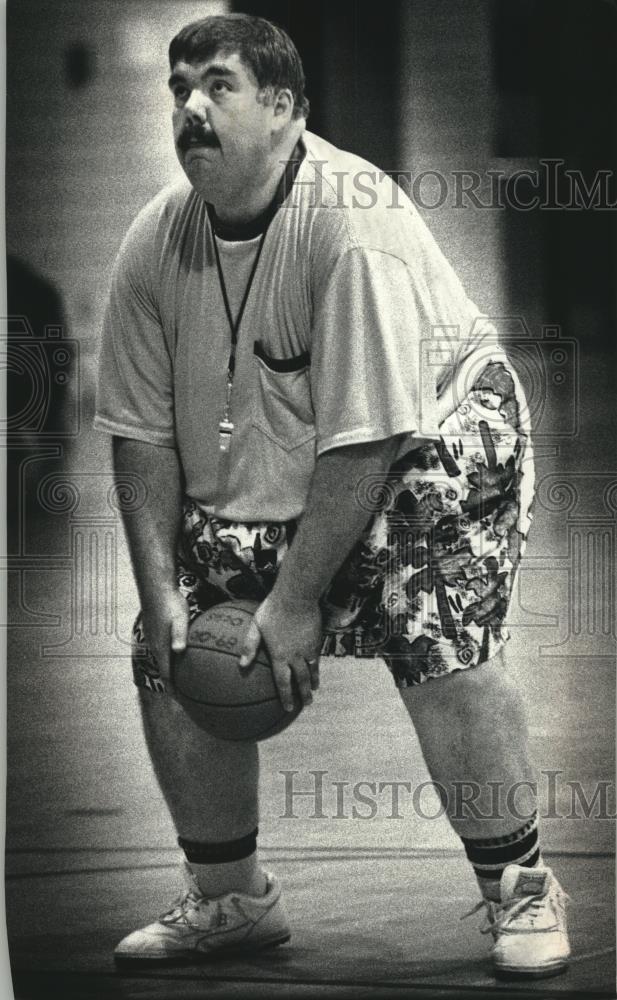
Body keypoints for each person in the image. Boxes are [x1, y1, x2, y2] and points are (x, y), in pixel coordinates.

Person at [95, 13, 570, 978]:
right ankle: (230, 899)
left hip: (435, 428)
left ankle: (521, 888)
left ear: (284, 109)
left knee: (432, 624)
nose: (190, 105)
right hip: (298, 447)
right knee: (169, 640)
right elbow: (141, 440)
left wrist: (297, 599)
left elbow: (365, 443)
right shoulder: (153, 244)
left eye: (217, 85)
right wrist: (158, 597)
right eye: (178, 87)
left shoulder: (351, 226)